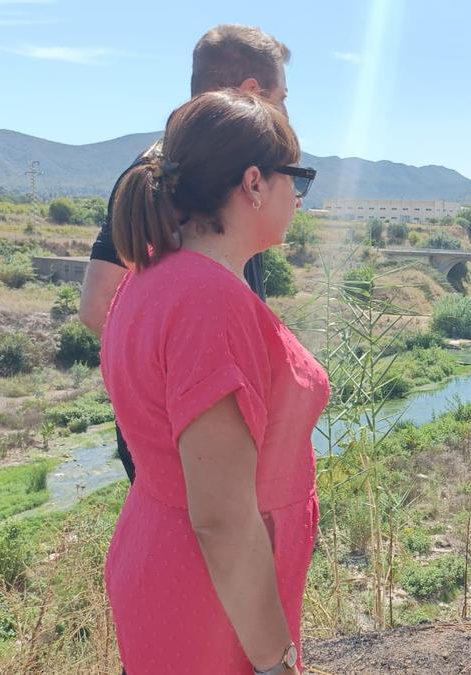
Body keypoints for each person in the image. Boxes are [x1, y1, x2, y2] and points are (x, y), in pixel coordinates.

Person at [101, 89, 324, 674]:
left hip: (176, 565)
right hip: (211, 600)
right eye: (297, 180)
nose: (299, 198)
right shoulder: (209, 301)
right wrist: (275, 662)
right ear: (254, 183)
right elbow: (221, 517)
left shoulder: (153, 275)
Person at [79, 23, 290, 483]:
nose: (287, 114)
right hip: (188, 451)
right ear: (251, 93)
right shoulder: (166, 173)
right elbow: (99, 306)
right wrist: (204, 397)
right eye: (282, 99)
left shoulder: (215, 173)